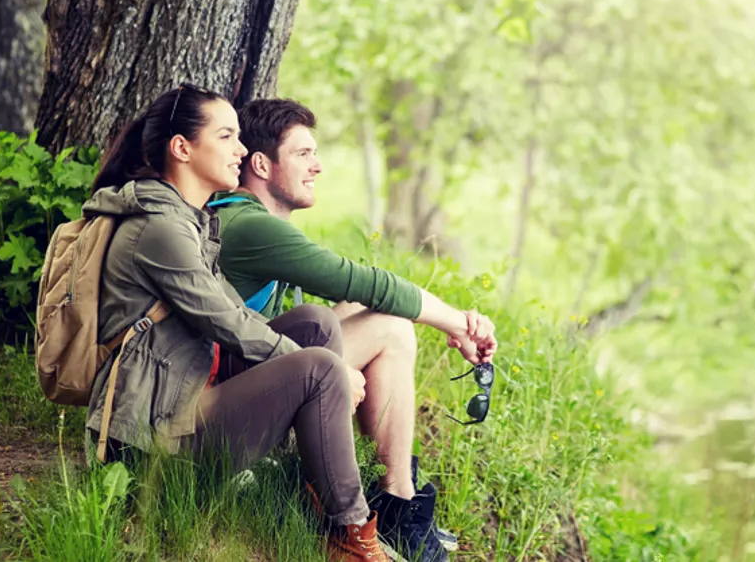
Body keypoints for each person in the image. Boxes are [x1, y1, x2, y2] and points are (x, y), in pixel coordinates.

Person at [82, 85, 390, 562]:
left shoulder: (187, 220)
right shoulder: (159, 228)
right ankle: (353, 536)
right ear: (182, 149)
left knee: (315, 325)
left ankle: (308, 486)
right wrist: (335, 374)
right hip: (151, 444)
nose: (241, 150)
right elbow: (229, 322)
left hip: (180, 400)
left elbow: (237, 314)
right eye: (226, 137)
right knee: (320, 368)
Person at [210, 98, 499, 562]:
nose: (317, 166)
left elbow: (356, 294)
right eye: (304, 154)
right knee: (390, 326)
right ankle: (398, 502)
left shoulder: (240, 216)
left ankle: (395, 500)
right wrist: (457, 322)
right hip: (226, 409)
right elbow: (362, 279)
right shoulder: (250, 227)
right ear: (262, 164)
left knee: (365, 311)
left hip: (238, 378)